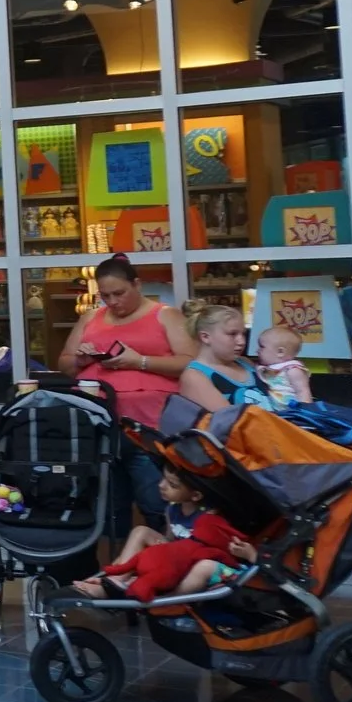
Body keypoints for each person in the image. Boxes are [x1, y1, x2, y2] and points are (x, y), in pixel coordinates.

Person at [56, 255, 194, 534]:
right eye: (106, 295)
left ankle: (163, 559)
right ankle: (111, 569)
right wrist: (81, 361)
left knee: (156, 500)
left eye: (119, 293)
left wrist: (139, 362)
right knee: (108, 505)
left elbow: (190, 362)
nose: (113, 301)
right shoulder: (91, 317)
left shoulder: (164, 315)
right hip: (98, 427)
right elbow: (64, 364)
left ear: (137, 284)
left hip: (148, 428)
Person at [73, 465, 256, 601]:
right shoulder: (172, 509)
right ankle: (118, 578)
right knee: (141, 531)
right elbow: (169, 540)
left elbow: (221, 547)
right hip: (177, 560)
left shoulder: (209, 516)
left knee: (204, 566)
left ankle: (166, 600)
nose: (161, 486)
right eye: (163, 479)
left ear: (196, 496)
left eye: (172, 485)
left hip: (202, 564)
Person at [178, 304, 272, 414]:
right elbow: (229, 422)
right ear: (205, 337)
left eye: (243, 334)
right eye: (232, 334)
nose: (242, 342)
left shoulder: (245, 363)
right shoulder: (195, 376)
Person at [254, 324, 315, 411]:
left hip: (293, 412)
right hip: (275, 413)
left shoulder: (292, 370)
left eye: (262, 347)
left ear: (280, 352)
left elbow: (303, 392)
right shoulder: (267, 368)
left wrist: (305, 412)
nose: (257, 350)